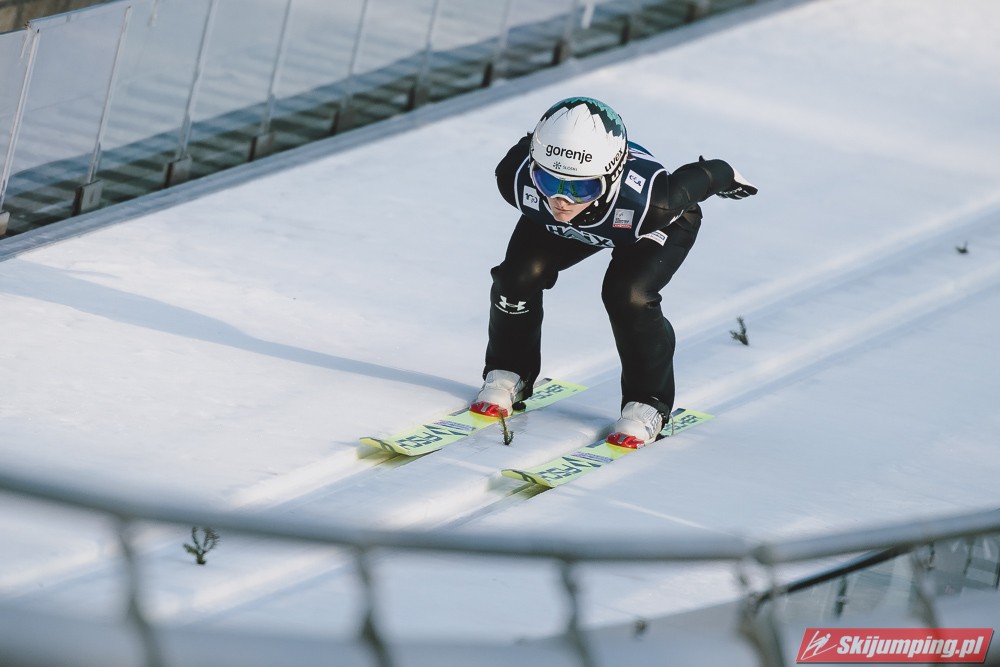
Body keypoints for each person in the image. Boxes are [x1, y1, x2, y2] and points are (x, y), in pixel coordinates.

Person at [471, 96, 757, 448]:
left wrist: (729, 178)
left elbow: (712, 173)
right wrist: (565, 187)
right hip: (579, 223)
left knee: (628, 296)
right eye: (548, 181)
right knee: (516, 278)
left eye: (581, 187)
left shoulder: (654, 201)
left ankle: (647, 403)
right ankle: (509, 371)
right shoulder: (515, 176)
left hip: (644, 226)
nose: (561, 200)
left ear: (609, 178)